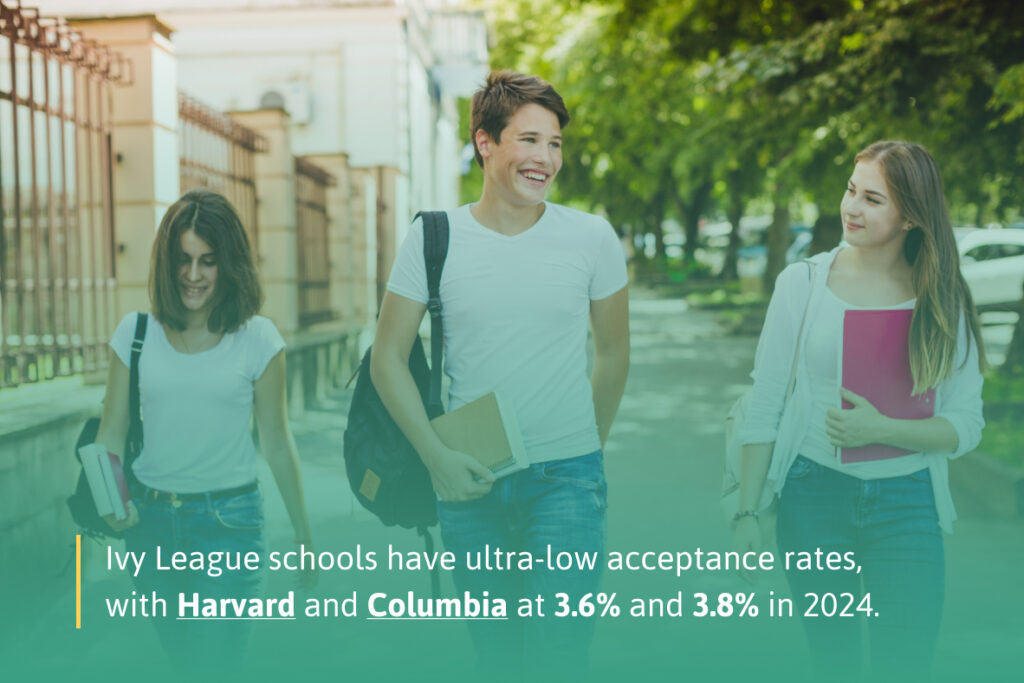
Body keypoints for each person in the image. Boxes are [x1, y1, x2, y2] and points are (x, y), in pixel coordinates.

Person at [370, 70, 630, 675]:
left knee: (558, 651)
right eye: (530, 140)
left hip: (566, 481)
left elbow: (613, 354)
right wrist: (435, 456)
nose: (546, 158)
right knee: (497, 653)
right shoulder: (433, 238)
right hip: (470, 480)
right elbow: (387, 359)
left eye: (555, 143)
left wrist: (583, 451)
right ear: (485, 142)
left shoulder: (591, 238)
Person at [733, 141, 985, 681]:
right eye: (852, 190)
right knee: (836, 663)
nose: (851, 208)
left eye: (873, 199)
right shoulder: (801, 285)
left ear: (911, 217)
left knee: (906, 664)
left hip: (908, 504)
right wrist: (747, 513)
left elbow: (967, 425)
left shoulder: (943, 300)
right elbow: (765, 403)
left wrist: (883, 429)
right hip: (813, 497)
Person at [95, 188, 316, 671]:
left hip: (230, 526)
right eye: (183, 260)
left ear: (229, 264)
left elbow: (278, 443)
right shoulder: (134, 335)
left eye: (208, 261)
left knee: (216, 664)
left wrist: (304, 536)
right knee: (182, 661)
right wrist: (111, 500)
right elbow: (109, 434)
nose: (193, 275)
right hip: (151, 528)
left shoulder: (258, 339)